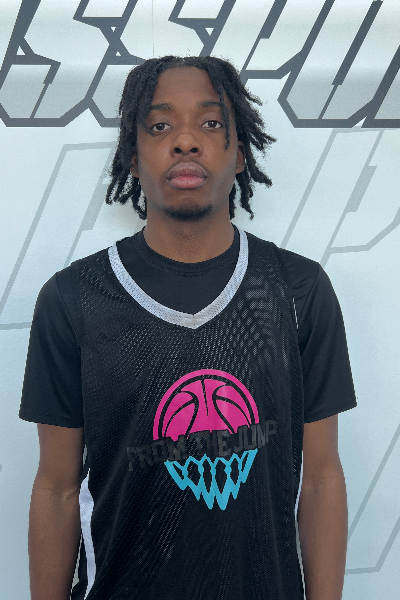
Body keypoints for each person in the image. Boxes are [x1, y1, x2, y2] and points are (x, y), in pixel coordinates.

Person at [19, 55, 357, 600]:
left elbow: (320, 478)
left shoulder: (298, 291)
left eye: (211, 122)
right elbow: (56, 488)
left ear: (240, 152)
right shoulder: (73, 299)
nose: (185, 141)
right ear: (133, 157)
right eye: (159, 126)